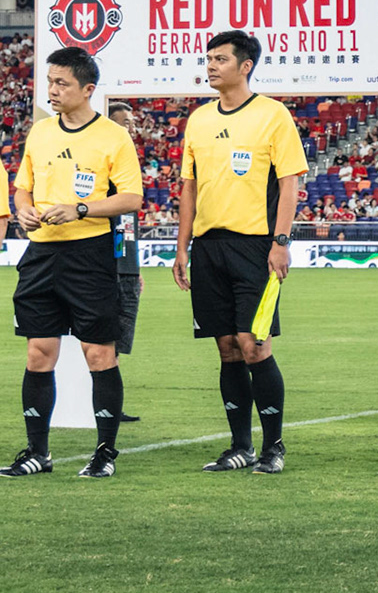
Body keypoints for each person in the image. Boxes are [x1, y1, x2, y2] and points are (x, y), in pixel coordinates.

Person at [1, 49, 141, 481]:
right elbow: (22, 187)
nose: (53, 90)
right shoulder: (40, 132)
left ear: (88, 90)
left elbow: (132, 199)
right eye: (50, 82)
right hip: (41, 256)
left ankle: (105, 452)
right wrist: (22, 209)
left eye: (62, 83)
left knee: (99, 353)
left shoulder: (113, 137)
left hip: (90, 256)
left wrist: (81, 209)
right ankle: (36, 453)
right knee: (38, 352)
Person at [175, 30, 307, 475]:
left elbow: (290, 183)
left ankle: (274, 448)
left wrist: (281, 242)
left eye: (220, 59)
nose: (210, 65)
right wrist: (182, 247)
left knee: (254, 345)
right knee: (227, 347)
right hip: (208, 247)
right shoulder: (198, 119)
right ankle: (239, 446)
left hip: (256, 246)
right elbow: (188, 187)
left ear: (245, 65)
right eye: (208, 58)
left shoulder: (273, 115)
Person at [106, 102, 144, 424]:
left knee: (118, 343)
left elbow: (127, 227)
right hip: (115, 267)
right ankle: (106, 406)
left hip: (127, 266)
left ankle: (111, 405)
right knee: (108, 341)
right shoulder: (109, 171)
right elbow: (117, 227)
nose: (132, 128)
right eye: (126, 122)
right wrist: (121, 265)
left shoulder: (128, 170)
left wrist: (135, 267)